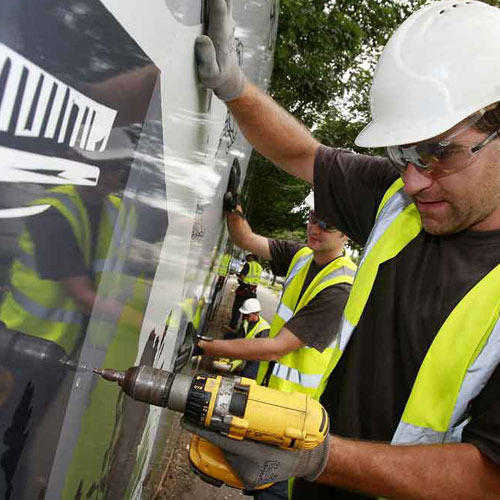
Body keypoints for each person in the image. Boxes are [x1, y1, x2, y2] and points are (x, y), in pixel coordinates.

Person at [185, 1, 500, 498]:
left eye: (437, 153)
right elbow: (303, 154)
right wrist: (234, 88)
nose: (413, 180)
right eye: (401, 154)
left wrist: (316, 455)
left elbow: (489, 477)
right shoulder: (398, 202)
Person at [213, 297, 270, 380]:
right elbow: (239, 339)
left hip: (257, 357)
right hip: (247, 349)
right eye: (244, 315)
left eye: (247, 315)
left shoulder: (264, 329)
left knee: (246, 375)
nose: (245, 317)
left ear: (256, 313)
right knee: (228, 336)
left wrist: (237, 361)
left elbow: (257, 351)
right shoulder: (246, 322)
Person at [228, 253, 263, 330]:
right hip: (252, 292)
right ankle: (243, 328)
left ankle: (232, 326)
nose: (246, 258)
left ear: (252, 256)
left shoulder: (248, 264)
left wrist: (239, 277)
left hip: (243, 290)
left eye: (248, 256)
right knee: (247, 311)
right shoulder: (260, 267)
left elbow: (242, 277)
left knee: (237, 308)